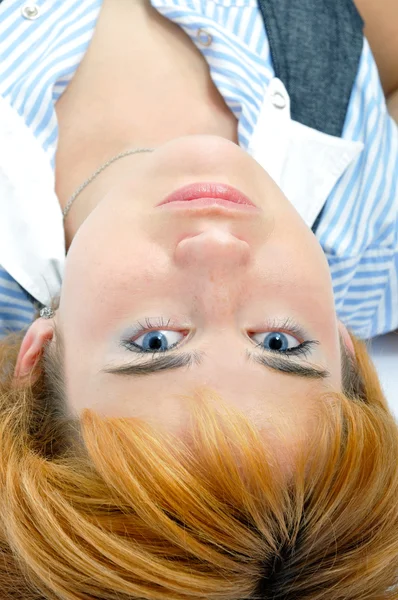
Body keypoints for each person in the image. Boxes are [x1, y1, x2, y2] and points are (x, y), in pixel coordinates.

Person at [0, 0, 397, 597]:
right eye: (279, 342)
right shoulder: (368, 233)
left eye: (154, 341)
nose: (218, 248)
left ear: (38, 360)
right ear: (344, 345)